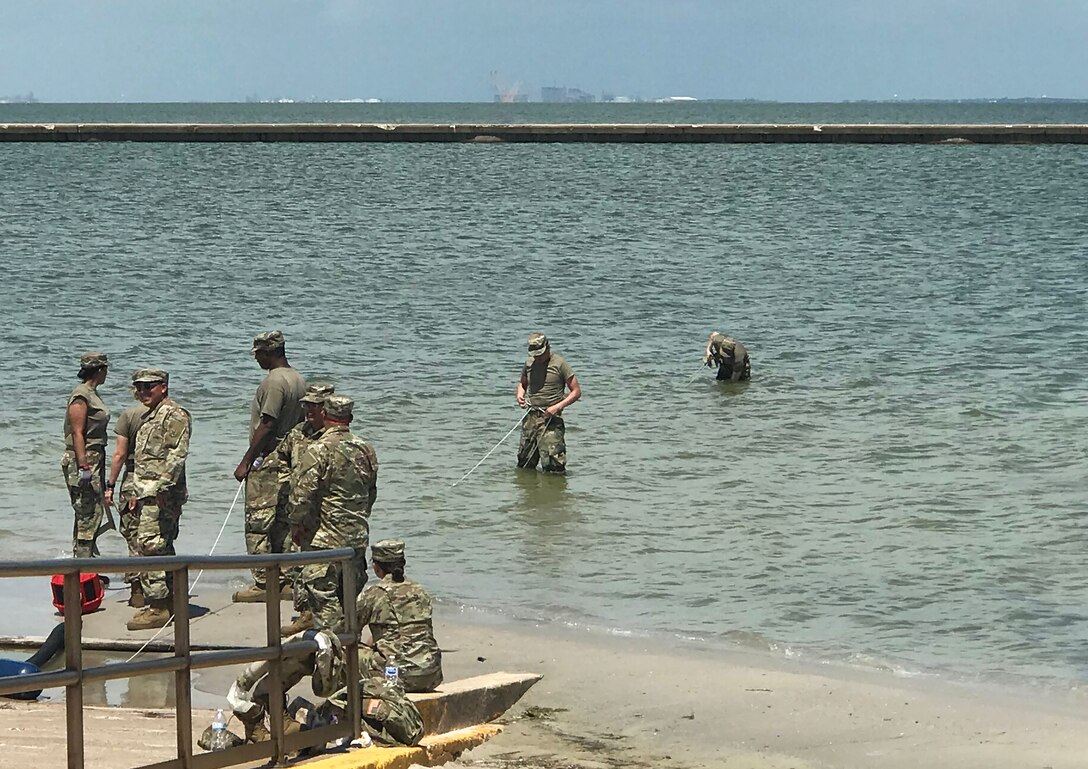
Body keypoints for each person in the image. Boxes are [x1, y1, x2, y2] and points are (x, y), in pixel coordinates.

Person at [288, 395, 378, 632]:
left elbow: (302, 494)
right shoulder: (365, 449)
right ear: (349, 418)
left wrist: (296, 525)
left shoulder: (318, 449)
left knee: (322, 597)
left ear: (326, 416)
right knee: (349, 596)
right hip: (356, 535)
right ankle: (350, 646)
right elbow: (371, 491)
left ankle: (333, 651)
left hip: (324, 538)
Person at [233, 331, 306, 603]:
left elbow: (267, 423)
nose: (257, 360)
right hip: (289, 457)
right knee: (282, 521)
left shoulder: (274, 382)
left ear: (269, 352)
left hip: (270, 456)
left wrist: (246, 461)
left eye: (259, 355)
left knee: (258, 521)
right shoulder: (297, 378)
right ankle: (284, 577)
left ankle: (264, 583)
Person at [126, 368, 192, 631]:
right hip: (147, 492)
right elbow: (143, 461)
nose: (142, 392)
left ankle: (158, 607)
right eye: (138, 387)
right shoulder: (149, 416)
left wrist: (162, 488)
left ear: (163, 387)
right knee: (159, 545)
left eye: (148, 387)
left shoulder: (174, 414)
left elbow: (177, 454)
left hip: (161, 493)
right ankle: (170, 601)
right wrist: (135, 492)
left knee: (150, 545)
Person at [278, 383, 335, 636]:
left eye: (316, 406)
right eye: (307, 405)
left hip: (327, 513)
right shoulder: (298, 433)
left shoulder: (335, 438)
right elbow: (281, 459)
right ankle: (305, 614)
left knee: (325, 570)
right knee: (298, 564)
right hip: (300, 511)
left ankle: (323, 617)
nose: (310, 410)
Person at [354, 539, 442, 692]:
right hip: (431, 674)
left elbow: (349, 631)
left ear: (375, 566)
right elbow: (403, 632)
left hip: (396, 677)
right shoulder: (421, 591)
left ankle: (349, 703)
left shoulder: (373, 594)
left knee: (344, 654)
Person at [62, 351, 111, 557]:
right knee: (88, 513)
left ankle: (84, 560)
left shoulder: (92, 393)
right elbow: (77, 432)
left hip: (95, 456)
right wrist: (83, 466)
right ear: (100, 370)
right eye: (106, 369)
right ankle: (82, 566)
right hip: (83, 458)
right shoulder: (81, 395)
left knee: (91, 511)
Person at [104, 379, 148, 607]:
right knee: (158, 535)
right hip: (160, 480)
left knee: (133, 536)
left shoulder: (129, 416)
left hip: (133, 478)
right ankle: (163, 586)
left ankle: (137, 590)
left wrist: (110, 484)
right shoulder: (168, 414)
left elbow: (119, 454)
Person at [515, 333, 581, 473]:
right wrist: (520, 394)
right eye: (535, 354)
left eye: (540, 354)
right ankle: (529, 493)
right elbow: (522, 383)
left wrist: (558, 406)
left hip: (551, 419)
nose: (537, 358)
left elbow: (576, 391)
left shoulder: (560, 364)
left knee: (554, 467)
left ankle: (554, 493)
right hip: (531, 418)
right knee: (524, 463)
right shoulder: (529, 363)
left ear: (547, 347)